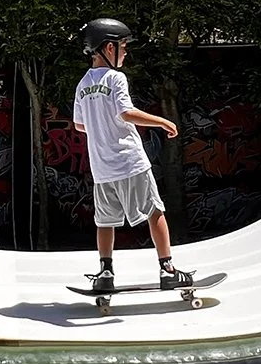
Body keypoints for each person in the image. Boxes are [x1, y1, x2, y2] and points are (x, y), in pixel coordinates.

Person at [71, 17, 184, 295]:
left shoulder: (83, 84)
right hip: (130, 161)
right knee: (154, 211)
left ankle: (106, 272)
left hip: (102, 167)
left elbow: (79, 125)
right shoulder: (115, 78)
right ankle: (168, 270)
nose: (125, 52)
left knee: (105, 221)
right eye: (123, 46)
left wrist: (101, 129)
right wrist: (162, 121)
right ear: (108, 48)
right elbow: (125, 112)